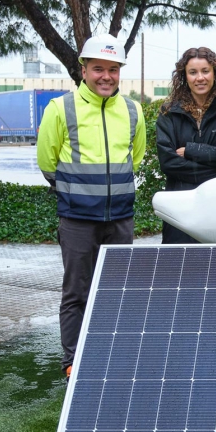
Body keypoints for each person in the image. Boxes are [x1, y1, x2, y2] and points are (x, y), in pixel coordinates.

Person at [36, 33, 146, 378]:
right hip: (77, 221)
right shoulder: (60, 109)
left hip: (121, 219)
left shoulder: (133, 110)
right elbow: (47, 162)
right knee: (76, 292)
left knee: (117, 291)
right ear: (83, 70)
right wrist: (79, 194)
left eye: (113, 70)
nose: (106, 77)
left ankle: (111, 354)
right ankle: (72, 360)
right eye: (99, 68)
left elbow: (136, 159)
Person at [156, 47, 216, 243]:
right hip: (179, 205)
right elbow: (168, 163)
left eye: (205, 71)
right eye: (193, 72)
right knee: (178, 267)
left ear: (215, 73)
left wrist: (192, 150)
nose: (200, 78)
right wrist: (215, 164)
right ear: (184, 76)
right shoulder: (169, 111)